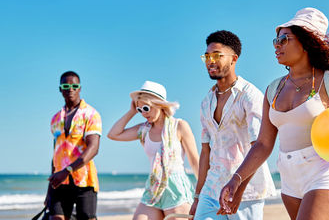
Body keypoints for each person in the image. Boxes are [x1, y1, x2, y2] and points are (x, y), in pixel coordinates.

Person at [219, 8, 329, 220]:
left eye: (284, 39)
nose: (277, 45)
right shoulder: (273, 89)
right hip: (289, 179)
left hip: (325, 172)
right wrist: (237, 180)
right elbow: (263, 144)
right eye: (275, 40)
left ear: (306, 42)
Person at [190, 30, 276, 220]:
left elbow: (259, 145)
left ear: (234, 58)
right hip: (211, 189)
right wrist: (197, 196)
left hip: (247, 190)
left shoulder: (250, 95)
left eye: (217, 56)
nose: (210, 61)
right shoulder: (206, 102)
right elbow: (205, 152)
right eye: (207, 56)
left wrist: (239, 189)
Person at [107, 81, 200, 220]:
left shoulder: (179, 126)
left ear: (159, 104)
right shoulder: (143, 130)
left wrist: (201, 195)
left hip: (176, 190)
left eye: (146, 108)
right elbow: (113, 134)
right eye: (140, 110)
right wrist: (131, 112)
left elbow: (195, 162)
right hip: (153, 189)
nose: (143, 114)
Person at [45, 71, 102, 220]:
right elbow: (55, 154)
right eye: (66, 85)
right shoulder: (55, 119)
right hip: (60, 182)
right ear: (60, 89)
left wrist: (67, 170)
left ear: (80, 88)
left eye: (74, 86)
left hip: (84, 180)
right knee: (55, 218)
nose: (70, 89)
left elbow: (93, 148)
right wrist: (49, 191)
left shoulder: (91, 114)